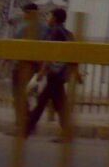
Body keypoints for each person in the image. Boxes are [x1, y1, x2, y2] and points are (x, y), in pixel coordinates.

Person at [24, 8, 76, 140]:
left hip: (55, 72)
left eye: (49, 15)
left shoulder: (55, 31)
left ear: (55, 18)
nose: (47, 18)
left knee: (42, 102)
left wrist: (42, 71)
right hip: (60, 72)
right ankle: (67, 132)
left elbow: (51, 53)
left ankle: (27, 130)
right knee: (58, 104)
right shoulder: (66, 32)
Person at [10, 3, 48, 135]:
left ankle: (22, 125)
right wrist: (42, 69)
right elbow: (46, 49)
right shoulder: (45, 28)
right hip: (36, 66)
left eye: (25, 12)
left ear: (28, 12)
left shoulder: (22, 27)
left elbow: (14, 46)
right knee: (29, 95)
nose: (24, 15)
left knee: (19, 95)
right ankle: (29, 123)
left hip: (21, 65)